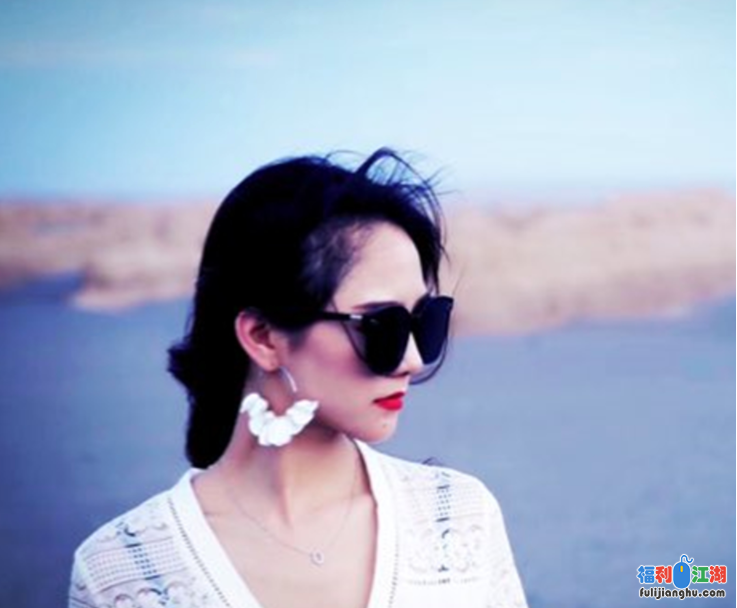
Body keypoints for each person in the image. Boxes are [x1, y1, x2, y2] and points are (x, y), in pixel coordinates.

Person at [68, 149, 527, 608]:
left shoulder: (460, 520)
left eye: (425, 322)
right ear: (263, 337)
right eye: (380, 326)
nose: (413, 359)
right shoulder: (121, 572)